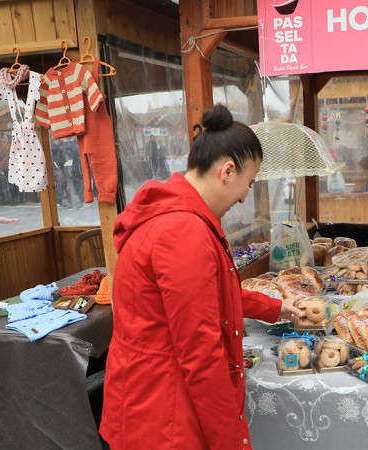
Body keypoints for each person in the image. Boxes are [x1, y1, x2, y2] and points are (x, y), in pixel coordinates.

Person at [100, 104, 305, 449]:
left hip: (149, 405)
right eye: (248, 183)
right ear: (227, 171)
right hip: (163, 419)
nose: (243, 197)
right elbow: (202, 355)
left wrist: (276, 307)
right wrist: (233, 442)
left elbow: (210, 298)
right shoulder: (182, 231)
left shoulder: (177, 217)